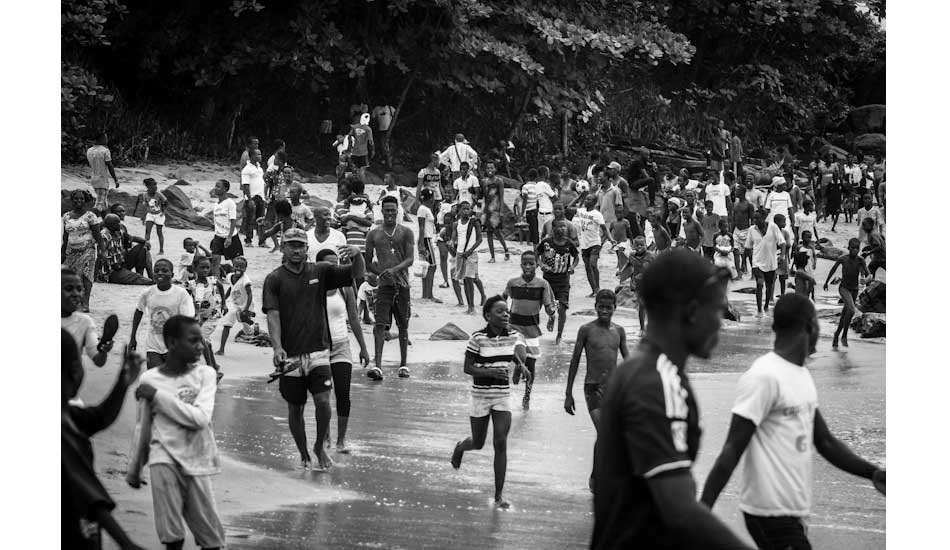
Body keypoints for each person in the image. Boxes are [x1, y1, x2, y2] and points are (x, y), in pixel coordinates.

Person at [590, 249, 750, 549]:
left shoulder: (638, 369)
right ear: (692, 311)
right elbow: (680, 511)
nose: (720, 323)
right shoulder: (656, 383)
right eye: (717, 311)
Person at [700, 294, 886, 550]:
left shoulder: (801, 375)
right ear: (809, 327)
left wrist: (873, 473)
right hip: (768, 512)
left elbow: (825, 442)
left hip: (794, 512)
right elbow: (731, 450)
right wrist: (701, 515)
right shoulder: (764, 377)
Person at [263, 228, 365, 470]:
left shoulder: (320, 270)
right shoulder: (274, 279)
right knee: (295, 407)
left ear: (307, 248)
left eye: (300, 245)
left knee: (323, 401)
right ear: (283, 247)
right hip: (291, 355)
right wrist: (277, 347)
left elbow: (356, 274)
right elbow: (273, 315)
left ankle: (319, 445)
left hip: (319, 351)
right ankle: (303, 453)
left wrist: (358, 254)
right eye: (291, 245)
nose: (296, 250)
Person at [126, 315, 226, 550]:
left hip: (197, 460)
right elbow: (143, 426)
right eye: (193, 340)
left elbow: (200, 419)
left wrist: (158, 397)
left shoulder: (205, 375)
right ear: (172, 343)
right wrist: (135, 468)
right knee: (172, 536)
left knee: (211, 539)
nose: (200, 346)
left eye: (201, 340)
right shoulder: (149, 379)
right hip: (163, 459)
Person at [62, 330, 145, 550]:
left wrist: (122, 384)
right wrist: (126, 543)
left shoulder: (67, 415)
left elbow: (99, 418)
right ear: (75, 371)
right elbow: (88, 493)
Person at [450, 296, 530, 509]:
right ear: (488, 316)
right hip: (480, 396)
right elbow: (467, 368)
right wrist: (491, 372)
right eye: (499, 311)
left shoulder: (513, 336)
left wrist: (521, 366)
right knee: (478, 443)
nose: (505, 315)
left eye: (506, 311)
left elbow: (511, 353)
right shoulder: (477, 338)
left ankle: (498, 495)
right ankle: (460, 447)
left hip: (502, 395)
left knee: (500, 442)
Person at [564, 289, 629, 490]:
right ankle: (598, 477)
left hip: (613, 389)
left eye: (608, 308)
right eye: (601, 307)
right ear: (595, 307)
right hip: (593, 387)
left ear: (615, 308)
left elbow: (628, 362)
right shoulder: (586, 330)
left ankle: (599, 475)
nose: (604, 311)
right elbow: (575, 360)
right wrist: (568, 393)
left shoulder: (619, 331)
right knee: (605, 431)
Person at [314, 249, 371, 453]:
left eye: (336, 263)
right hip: (319, 348)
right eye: (329, 264)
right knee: (322, 397)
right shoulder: (312, 287)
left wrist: (363, 348)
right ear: (318, 266)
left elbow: (354, 318)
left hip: (341, 346)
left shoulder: (345, 287)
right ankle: (325, 436)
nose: (333, 268)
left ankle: (341, 440)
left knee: (343, 393)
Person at [364, 196, 415, 380]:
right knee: (380, 324)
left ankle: (404, 364)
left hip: (402, 284)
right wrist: (380, 273)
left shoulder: (406, 232)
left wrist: (394, 270)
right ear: (382, 211)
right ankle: (378, 365)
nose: (390, 213)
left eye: (393, 210)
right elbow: (367, 262)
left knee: (403, 325)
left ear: (398, 210)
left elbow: (410, 259)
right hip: (384, 286)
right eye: (387, 210)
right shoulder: (373, 234)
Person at [503, 250, 556, 411]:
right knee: (520, 352)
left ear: (536, 265)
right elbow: (503, 299)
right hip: (514, 326)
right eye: (525, 263)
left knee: (531, 364)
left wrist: (552, 315)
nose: (527, 266)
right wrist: (500, 316)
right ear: (521, 265)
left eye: (531, 263)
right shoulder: (513, 283)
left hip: (532, 329)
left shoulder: (542, 285)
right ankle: (519, 367)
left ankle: (527, 396)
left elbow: (548, 306)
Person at [129, 259, 197, 369]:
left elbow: (188, 319)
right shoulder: (147, 293)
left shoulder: (181, 294)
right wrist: (133, 337)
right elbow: (138, 312)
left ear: (172, 275)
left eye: (165, 271)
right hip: (153, 347)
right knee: (155, 377)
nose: (160, 273)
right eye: (156, 271)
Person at [537, 219, 580, 344]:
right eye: (560, 226)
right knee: (549, 307)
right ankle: (551, 316)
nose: (563, 229)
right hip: (548, 281)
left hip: (563, 281)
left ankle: (559, 335)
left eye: (564, 226)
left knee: (562, 308)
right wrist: (541, 264)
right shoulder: (546, 242)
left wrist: (572, 267)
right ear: (553, 229)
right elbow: (536, 254)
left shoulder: (569, 243)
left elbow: (576, 257)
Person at [62, 189, 105, 312]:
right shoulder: (66, 216)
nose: (79, 201)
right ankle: (74, 302)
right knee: (72, 277)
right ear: (72, 200)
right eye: (76, 198)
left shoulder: (90, 216)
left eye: (81, 199)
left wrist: (103, 251)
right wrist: (62, 252)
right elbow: (66, 236)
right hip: (71, 252)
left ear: (85, 200)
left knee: (87, 276)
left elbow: (97, 235)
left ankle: (85, 303)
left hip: (87, 250)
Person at [823, 238, 869, 349]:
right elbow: (833, 269)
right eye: (853, 248)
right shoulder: (843, 259)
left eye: (857, 248)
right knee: (852, 310)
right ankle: (844, 336)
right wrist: (826, 282)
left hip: (855, 289)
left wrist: (866, 280)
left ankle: (837, 335)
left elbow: (868, 274)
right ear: (848, 248)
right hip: (844, 288)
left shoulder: (860, 260)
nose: (855, 250)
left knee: (845, 314)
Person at [62, 268, 111, 369]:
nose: (76, 294)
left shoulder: (84, 322)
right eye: (69, 289)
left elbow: (98, 360)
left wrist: (103, 349)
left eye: (79, 289)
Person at [450, 201, 486, 315]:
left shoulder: (474, 222)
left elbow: (480, 239)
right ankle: (470, 306)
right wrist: (451, 243)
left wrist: (470, 251)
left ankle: (472, 307)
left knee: (469, 279)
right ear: (459, 210)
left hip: (471, 254)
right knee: (465, 280)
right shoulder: (456, 224)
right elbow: (454, 238)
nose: (466, 211)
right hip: (460, 254)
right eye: (464, 209)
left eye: (468, 208)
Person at [573, 194, 613, 297]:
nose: (586, 201)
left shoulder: (597, 214)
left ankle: (597, 287)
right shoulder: (581, 211)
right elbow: (569, 207)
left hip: (595, 243)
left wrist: (611, 240)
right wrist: (580, 196)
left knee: (593, 264)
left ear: (594, 203)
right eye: (586, 199)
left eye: (589, 199)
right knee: (587, 267)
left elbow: (604, 229)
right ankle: (593, 290)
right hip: (584, 244)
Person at [98, 214, 154, 285]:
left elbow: (132, 238)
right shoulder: (104, 236)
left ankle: (143, 274)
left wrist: (145, 241)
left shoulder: (118, 232)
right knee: (135, 277)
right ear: (110, 225)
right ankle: (151, 281)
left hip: (121, 264)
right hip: (111, 270)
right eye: (117, 223)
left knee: (142, 248)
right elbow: (100, 257)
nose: (119, 224)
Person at [616, 236, 655, 332]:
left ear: (646, 245)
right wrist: (621, 271)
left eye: (642, 245)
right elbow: (628, 263)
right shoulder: (632, 255)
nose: (639, 247)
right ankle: (642, 328)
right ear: (633, 246)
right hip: (636, 283)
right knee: (641, 304)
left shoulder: (651, 256)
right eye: (637, 245)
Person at [216, 256, 253, 355]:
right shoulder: (230, 276)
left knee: (246, 327)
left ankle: (251, 330)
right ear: (233, 266)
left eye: (242, 267)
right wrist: (224, 300)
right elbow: (231, 288)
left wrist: (246, 309)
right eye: (236, 266)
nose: (238, 269)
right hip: (234, 304)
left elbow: (250, 295)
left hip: (246, 305)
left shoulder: (246, 280)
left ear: (245, 269)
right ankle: (221, 349)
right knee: (227, 323)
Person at [208, 179, 242, 278]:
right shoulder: (216, 205)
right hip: (218, 236)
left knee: (236, 261)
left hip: (230, 236)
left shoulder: (230, 203)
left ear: (225, 189)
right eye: (215, 186)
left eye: (218, 186)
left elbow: (233, 220)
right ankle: (216, 282)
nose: (215, 188)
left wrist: (229, 237)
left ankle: (239, 280)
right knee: (215, 259)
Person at [481, 161, 511, 262]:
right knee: (488, 233)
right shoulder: (484, 181)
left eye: (491, 168)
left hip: (496, 210)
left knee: (497, 232)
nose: (489, 170)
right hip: (487, 210)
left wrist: (501, 211)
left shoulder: (499, 181)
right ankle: (492, 256)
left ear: (495, 169)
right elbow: (483, 196)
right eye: (488, 168)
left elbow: (501, 197)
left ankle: (506, 250)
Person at [416, 188, 441, 302]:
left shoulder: (426, 209)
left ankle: (426, 294)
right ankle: (429, 294)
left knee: (426, 266)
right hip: (426, 239)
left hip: (427, 238)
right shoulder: (423, 209)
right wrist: (421, 243)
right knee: (432, 266)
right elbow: (421, 227)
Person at [133, 178, 168, 254]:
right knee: (147, 231)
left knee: (159, 232)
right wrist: (143, 217)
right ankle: (146, 247)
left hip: (159, 214)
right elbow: (145, 205)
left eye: (156, 184)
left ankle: (161, 250)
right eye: (153, 185)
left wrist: (163, 211)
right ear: (148, 186)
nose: (155, 186)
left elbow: (166, 201)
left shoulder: (158, 194)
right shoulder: (145, 195)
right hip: (150, 214)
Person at [87, 131, 119, 212]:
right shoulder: (105, 151)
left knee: (104, 204)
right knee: (99, 204)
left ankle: (105, 219)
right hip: (102, 180)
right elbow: (110, 166)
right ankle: (91, 218)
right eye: (105, 138)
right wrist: (115, 179)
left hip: (93, 179)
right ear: (101, 139)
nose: (107, 140)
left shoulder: (89, 150)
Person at [241, 148, 267, 246]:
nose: (260, 156)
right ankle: (248, 240)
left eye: (260, 154)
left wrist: (264, 196)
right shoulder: (247, 169)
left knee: (261, 219)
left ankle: (262, 241)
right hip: (252, 196)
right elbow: (245, 185)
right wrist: (249, 199)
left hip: (260, 196)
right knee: (250, 219)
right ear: (252, 156)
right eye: (258, 154)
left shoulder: (260, 169)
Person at [732, 185, 755, 275]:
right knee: (736, 251)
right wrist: (731, 232)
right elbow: (733, 219)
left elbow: (752, 219)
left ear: (742, 192)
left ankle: (753, 273)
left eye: (737, 191)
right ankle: (739, 273)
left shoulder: (749, 205)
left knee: (749, 253)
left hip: (746, 230)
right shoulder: (735, 205)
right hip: (736, 231)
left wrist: (752, 232)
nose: (735, 192)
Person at [347, 112, 375, 180]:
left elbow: (349, 136)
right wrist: (373, 150)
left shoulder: (355, 127)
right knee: (362, 170)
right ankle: (361, 185)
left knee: (354, 170)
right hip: (363, 152)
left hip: (354, 151)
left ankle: (353, 183)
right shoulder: (368, 129)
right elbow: (370, 141)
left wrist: (349, 146)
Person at [518, 169, 540, 245]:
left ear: (528, 177)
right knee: (537, 231)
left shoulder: (525, 187)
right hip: (537, 211)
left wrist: (522, 213)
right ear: (536, 177)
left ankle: (535, 249)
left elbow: (525, 200)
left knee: (533, 232)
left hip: (529, 211)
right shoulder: (538, 186)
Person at [773, 214, 793, 297]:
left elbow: (788, 245)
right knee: (773, 277)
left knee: (782, 278)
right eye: (783, 222)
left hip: (783, 258)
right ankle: (771, 296)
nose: (785, 224)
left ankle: (782, 294)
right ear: (776, 222)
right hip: (774, 257)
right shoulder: (773, 232)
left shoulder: (785, 232)